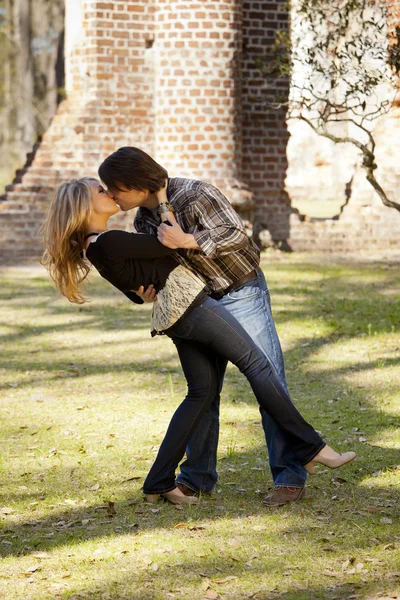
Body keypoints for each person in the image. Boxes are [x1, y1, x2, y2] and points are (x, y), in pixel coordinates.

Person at [41, 176, 356, 505]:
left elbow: (136, 293)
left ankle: (159, 482)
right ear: (83, 205)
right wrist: (164, 202)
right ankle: (311, 447)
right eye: (100, 190)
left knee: (200, 393)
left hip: (175, 315)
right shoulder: (109, 242)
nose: (110, 193)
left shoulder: (101, 245)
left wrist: (144, 289)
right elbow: (169, 243)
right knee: (257, 364)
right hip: (192, 308)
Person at [98, 147, 309, 506]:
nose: (111, 195)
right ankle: (196, 478)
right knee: (205, 391)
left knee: (268, 378)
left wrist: (189, 240)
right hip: (201, 305)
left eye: (114, 187)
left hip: (241, 291)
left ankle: (289, 474)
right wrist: (145, 292)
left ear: (135, 182)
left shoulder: (196, 193)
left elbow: (238, 237)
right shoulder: (143, 221)